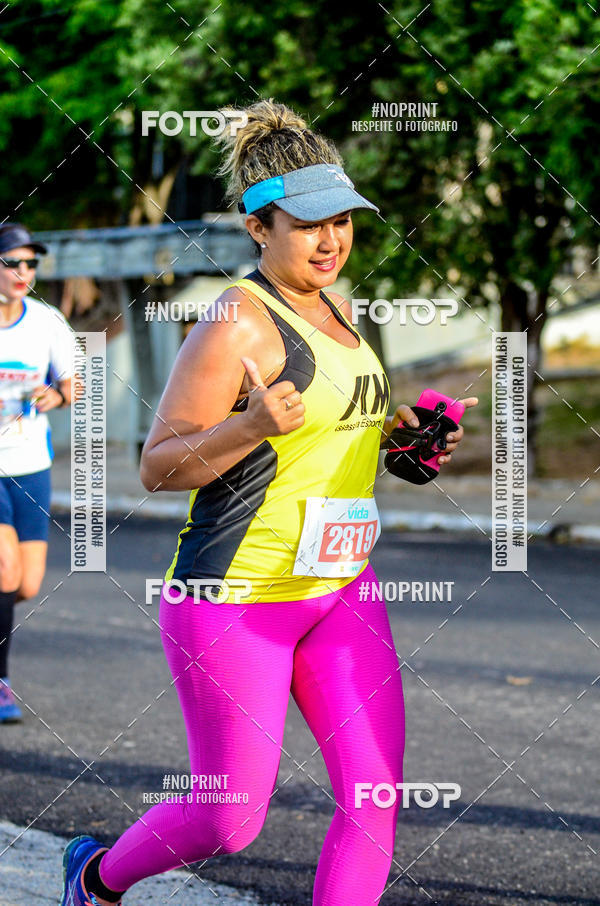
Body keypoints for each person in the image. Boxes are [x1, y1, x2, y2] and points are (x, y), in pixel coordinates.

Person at [60, 100, 477, 906]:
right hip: (237, 600)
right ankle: (95, 877)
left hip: (343, 590)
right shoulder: (232, 325)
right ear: (259, 228)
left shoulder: (345, 311)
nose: (332, 241)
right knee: (229, 821)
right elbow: (158, 465)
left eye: (344, 222)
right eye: (309, 225)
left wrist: (405, 451)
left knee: (373, 798)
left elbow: (335, 442)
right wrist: (248, 425)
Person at [0, 223, 74, 723]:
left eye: (30, 264)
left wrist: (58, 394)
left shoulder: (47, 322)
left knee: (25, 585)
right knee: (3, 573)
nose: (24, 272)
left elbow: (75, 382)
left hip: (33, 466)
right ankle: (2, 683)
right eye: (13, 263)